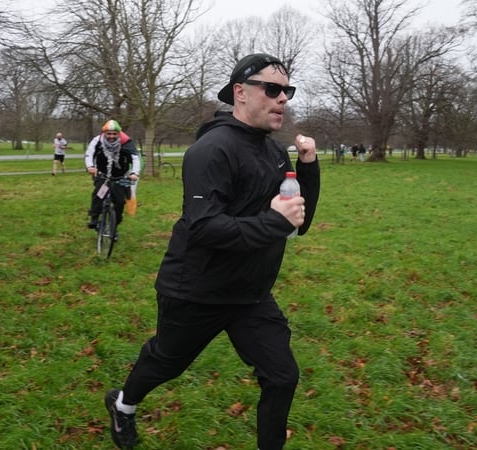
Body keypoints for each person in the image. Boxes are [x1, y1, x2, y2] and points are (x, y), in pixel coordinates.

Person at [104, 53, 320, 450]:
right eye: (272, 89)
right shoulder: (211, 149)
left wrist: (308, 166)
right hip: (196, 290)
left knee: (282, 375)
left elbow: (297, 223)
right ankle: (123, 403)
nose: (283, 98)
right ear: (240, 92)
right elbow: (204, 226)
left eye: (287, 90)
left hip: (250, 294)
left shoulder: (274, 152)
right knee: (167, 362)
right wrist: (274, 222)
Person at [83, 120, 141, 235]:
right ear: (104, 133)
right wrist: (90, 166)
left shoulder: (126, 142)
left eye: (114, 134)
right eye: (109, 133)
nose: (111, 136)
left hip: (121, 175)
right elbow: (89, 154)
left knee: (119, 202)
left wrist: (134, 173)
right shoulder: (97, 140)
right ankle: (94, 218)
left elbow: (135, 158)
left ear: (118, 134)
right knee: (99, 194)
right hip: (102, 174)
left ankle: (115, 225)